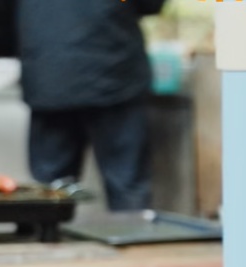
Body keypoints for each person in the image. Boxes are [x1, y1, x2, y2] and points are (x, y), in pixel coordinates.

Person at [11, 0, 166, 212]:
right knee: (127, 186)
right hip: (113, 69)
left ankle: (43, 240)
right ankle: (132, 237)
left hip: (49, 68)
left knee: (50, 189)